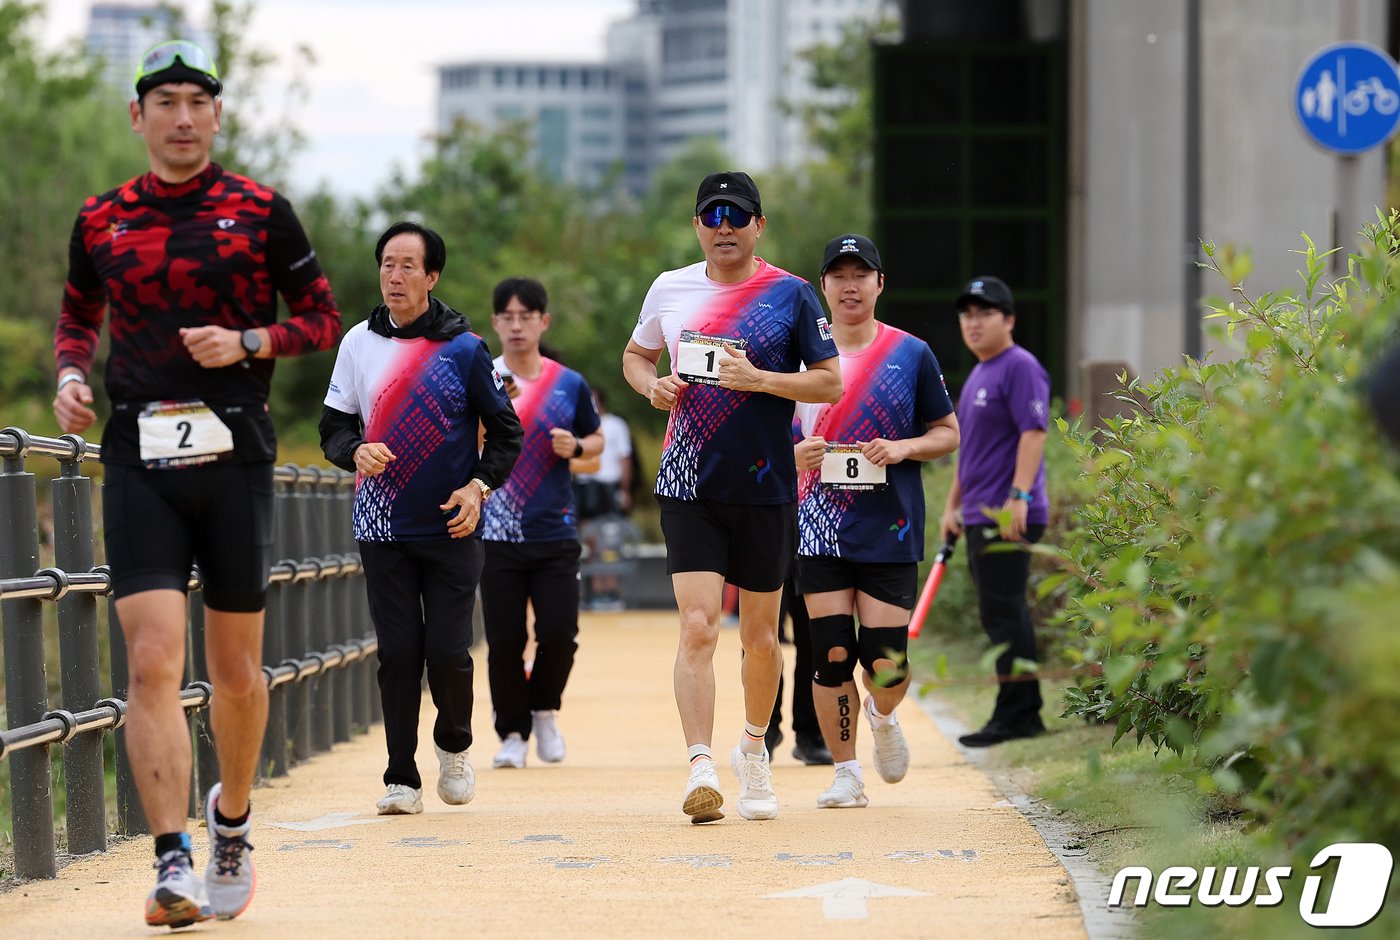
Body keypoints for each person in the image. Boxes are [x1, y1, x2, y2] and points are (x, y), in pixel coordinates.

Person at [50, 40, 341, 927]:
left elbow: (322, 319)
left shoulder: (261, 212)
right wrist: (69, 374)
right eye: (163, 102)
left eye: (196, 102)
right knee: (148, 663)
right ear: (137, 117)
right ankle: (171, 860)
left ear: (217, 116)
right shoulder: (100, 219)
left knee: (238, 674)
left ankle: (234, 821)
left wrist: (250, 342)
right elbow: (77, 314)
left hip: (235, 452)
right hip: (139, 454)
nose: (181, 117)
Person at [622, 171, 842, 823]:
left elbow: (828, 383)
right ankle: (699, 766)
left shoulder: (792, 295)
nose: (724, 226)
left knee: (761, 637)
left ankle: (753, 749)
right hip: (689, 484)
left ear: (758, 226)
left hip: (765, 484)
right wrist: (650, 386)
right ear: (696, 225)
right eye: (712, 215)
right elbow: (636, 357)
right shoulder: (670, 288)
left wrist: (761, 380)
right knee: (696, 625)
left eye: (736, 215)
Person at [319, 222, 522, 814]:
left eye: (409, 265)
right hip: (382, 524)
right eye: (387, 263)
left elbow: (506, 434)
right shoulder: (357, 342)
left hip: (451, 524)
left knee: (448, 652)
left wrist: (478, 487)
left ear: (432, 277)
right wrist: (353, 451)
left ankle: (454, 745)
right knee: (398, 651)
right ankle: (400, 776)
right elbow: (334, 425)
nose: (395, 276)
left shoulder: (463, 348)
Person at [794, 234, 959, 807]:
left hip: (889, 527)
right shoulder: (800, 362)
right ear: (823, 287)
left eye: (860, 274)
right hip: (816, 528)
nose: (849, 285)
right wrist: (795, 455)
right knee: (831, 654)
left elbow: (948, 433)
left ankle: (882, 719)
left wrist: (903, 448)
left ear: (879, 284)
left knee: (885, 663)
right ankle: (845, 772)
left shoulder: (910, 354)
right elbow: (765, 439)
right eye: (838, 275)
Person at [481, 277, 603, 768]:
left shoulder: (567, 383)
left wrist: (573, 447)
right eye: (506, 317)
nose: (516, 326)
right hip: (494, 532)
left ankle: (544, 709)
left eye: (525, 316)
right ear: (494, 323)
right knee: (505, 639)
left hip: (554, 530)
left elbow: (595, 443)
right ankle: (512, 732)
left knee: (559, 632)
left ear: (542, 322)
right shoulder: (481, 378)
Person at [938, 275, 1051, 747]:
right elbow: (971, 453)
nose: (974, 322)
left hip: (1011, 513)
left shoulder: (1019, 366)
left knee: (1004, 614)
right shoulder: (980, 373)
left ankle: (1018, 714)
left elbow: (1034, 432)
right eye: (967, 314)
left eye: (985, 313)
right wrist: (952, 507)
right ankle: (1020, 710)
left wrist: (1019, 497)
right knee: (1000, 613)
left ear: (1009, 319)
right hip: (982, 514)